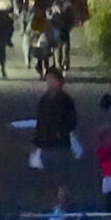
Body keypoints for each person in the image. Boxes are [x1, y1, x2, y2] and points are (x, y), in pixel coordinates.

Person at [32, 66, 80, 197]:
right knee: (49, 176)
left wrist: (61, 131)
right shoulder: (44, 100)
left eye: (52, 79)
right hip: (47, 144)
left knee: (61, 177)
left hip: (60, 144)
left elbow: (72, 121)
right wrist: (37, 142)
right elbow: (40, 122)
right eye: (48, 80)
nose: (49, 83)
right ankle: (53, 203)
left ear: (59, 81)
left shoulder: (66, 100)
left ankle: (61, 204)